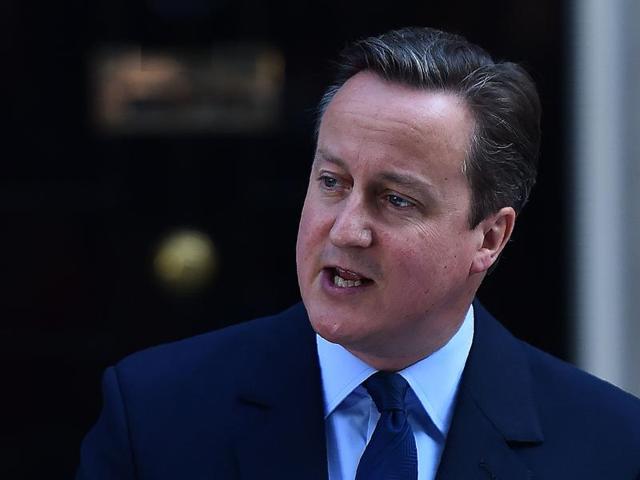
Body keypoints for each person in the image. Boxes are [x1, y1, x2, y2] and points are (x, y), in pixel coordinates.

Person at [77, 27, 640, 480]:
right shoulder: (155, 414)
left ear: (489, 238)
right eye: (331, 182)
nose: (346, 230)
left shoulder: (611, 445)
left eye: (395, 200)